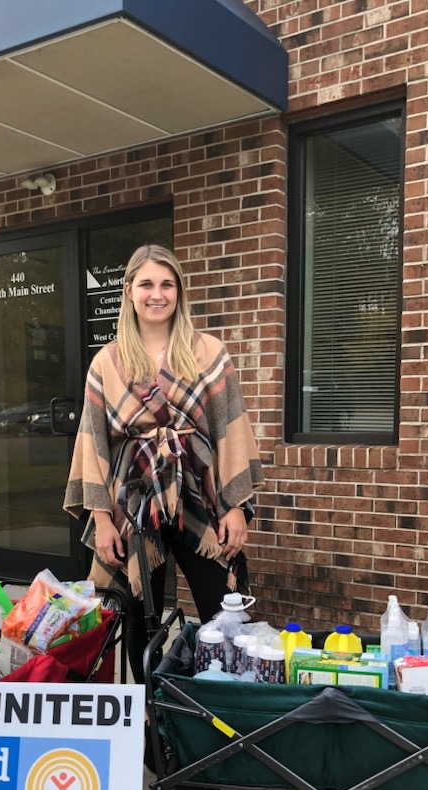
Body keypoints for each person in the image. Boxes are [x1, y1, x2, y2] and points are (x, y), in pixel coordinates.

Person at [64, 244, 264, 681]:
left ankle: (217, 712)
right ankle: (150, 718)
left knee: (224, 610)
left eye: (167, 284)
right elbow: (92, 442)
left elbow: (231, 430)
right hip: (133, 503)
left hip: (201, 497)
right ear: (129, 291)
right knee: (139, 618)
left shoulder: (208, 352)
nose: (157, 294)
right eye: (147, 284)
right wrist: (101, 520)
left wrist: (234, 507)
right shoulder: (108, 361)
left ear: (179, 291)